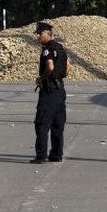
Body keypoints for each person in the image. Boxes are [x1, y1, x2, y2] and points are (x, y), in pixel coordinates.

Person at [30, 21, 71, 164]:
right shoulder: (60, 48)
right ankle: (56, 154)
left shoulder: (47, 49)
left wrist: (42, 78)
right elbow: (68, 67)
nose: (38, 37)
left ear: (48, 34)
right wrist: (60, 76)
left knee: (42, 123)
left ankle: (41, 155)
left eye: (40, 34)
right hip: (60, 90)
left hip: (49, 91)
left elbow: (50, 67)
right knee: (57, 124)